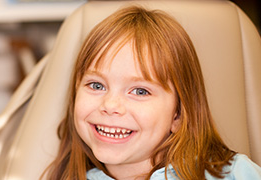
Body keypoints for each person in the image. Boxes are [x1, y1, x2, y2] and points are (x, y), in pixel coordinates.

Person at [42, 6, 261, 180]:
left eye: (140, 91)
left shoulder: (235, 174)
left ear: (178, 114)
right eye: (97, 86)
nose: (110, 105)